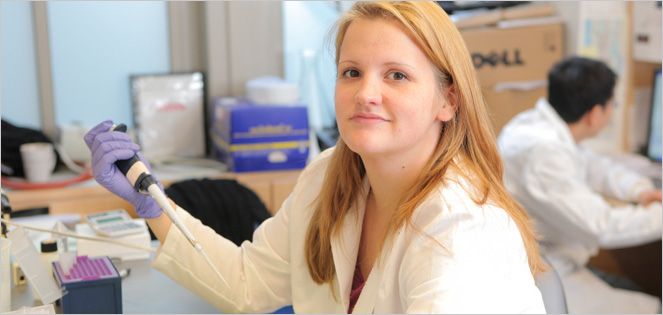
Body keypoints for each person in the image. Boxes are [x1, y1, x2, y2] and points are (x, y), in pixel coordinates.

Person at [85, 2, 545, 313]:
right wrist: (153, 205)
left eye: (397, 76)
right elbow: (247, 283)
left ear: (448, 101)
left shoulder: (461, 228)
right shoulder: (330, 175)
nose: (366, 93)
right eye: (351, 72)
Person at [498, 56, 662, 314]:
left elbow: (593, 165)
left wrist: (639, 190)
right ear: (595, 114)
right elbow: (602, 226)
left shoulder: (537, 127)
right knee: (653, 307)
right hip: (544, 274)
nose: (611, 111)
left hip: (554, 259)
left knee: (638, 293)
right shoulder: (541, 153)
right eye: (612, 105)